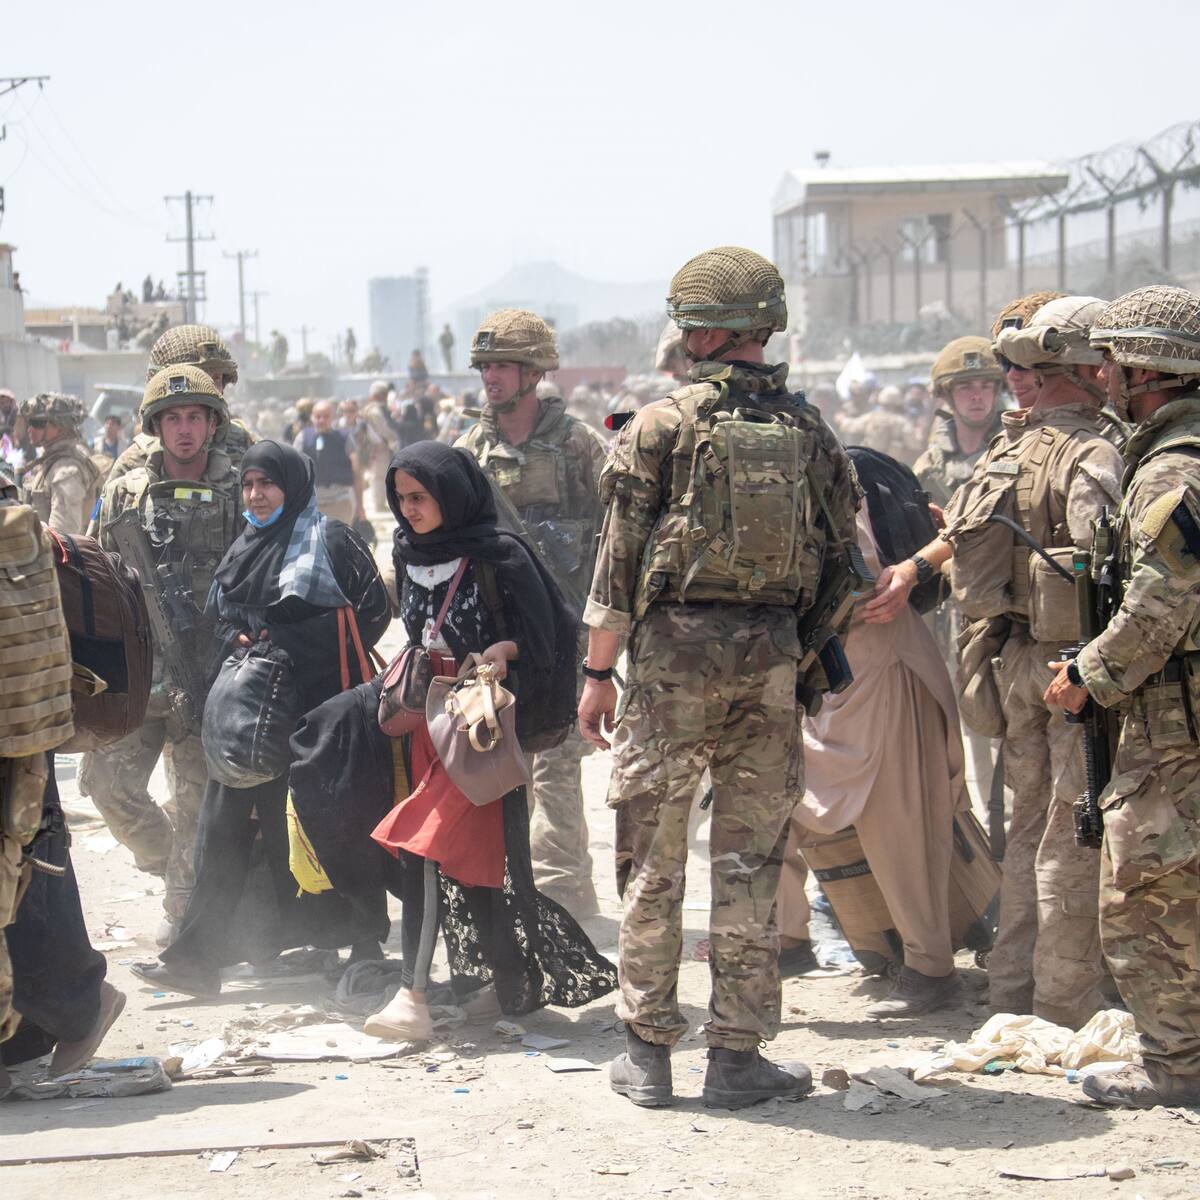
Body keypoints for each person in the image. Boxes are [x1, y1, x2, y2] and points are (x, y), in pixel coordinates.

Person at [579, 245, 859, 1109]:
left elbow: (617, 566)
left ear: (697, 331)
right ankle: (737, 1056)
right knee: (749, 861)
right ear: (766, 327)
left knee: (654, 861)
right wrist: (799, 655)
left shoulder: (660, 426)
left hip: (670, 667)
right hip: (771, 663)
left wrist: (597, 674)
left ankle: (649, 1055)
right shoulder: (810, 430)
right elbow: (843, 564)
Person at [865, 295, 1124, 1030]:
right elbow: (1103, 560)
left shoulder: (1008, 451)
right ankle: (1063, 1000)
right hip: (1076, 669)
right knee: (1073, 836)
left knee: (1025, 830)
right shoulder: (1094, 453)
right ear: (1081, 368)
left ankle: (1011, 985)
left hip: (1013, 663)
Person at [363, 441, 616, 1040]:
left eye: (420, 497)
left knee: (422, 846)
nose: (410, 510)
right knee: (470, 864)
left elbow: (552, 634)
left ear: (452, 495)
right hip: (430, 726)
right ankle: (490, 985)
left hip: (481, 732)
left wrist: (505, 652)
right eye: (401, 499)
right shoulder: (406, 550)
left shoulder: (502, 556)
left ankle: (413, 996)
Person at [132, 440, 390, 996]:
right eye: (249, 484)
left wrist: (294, 645)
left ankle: (364, 941)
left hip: (319, 712)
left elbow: (374, 610)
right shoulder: (244, 546)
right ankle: (196, 960)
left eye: (267, 483)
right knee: (221, 829)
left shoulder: (332, 539)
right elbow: (222, 620)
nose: (256, 494)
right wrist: (244, 638)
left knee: (328, 825)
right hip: (252, 713)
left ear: (292, 486)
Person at [1044, 285, 1200, 1109]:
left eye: (1111, 360)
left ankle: (1176, 1067)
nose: (1100, 374)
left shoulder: (1176, 469)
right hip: (1175, 707)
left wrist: (1089, 678)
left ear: (1149, 369)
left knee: (1142, 896)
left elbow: (1160, 602)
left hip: (1174, 718)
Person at [780, 503, 964, 1015]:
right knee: (770, 808)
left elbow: (864, 587)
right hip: (816, 681)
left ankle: (931, 970)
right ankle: (786, 941)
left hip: (880, 670)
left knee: (900, 828)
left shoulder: (828, 478)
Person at [80, 365, 243, 943]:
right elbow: (97, 577)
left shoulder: (238, 488)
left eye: (194, 417)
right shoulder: (123, 492)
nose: (183, 429)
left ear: (211, 423)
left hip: (212, 674)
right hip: (141, 674)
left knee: (196, 804)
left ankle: (185, 919)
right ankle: (174, 863)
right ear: (155, 425)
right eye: (172, 418)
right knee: (106, 786)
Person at [457, 309, 608, 918]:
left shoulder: (579, 446)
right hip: (496, 645)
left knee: (557, 771)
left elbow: (611, 538)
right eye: (486, 366)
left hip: (561, 640)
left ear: (534, 371)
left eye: (503, 365)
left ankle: (566, 899)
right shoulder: (470, 450)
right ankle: (501, 896)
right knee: (490, 770)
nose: (491, 377)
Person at [914, 337, 1007, 819]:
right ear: (946, 398)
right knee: (962, 723)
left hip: (1007, 613)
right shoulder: (927, 469)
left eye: (985, 386)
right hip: (951, 618)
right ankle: (978, 825)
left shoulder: (1015, 452)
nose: (977, 396)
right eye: (964, 387)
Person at [108, 324, 256, 484]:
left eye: (217, 379)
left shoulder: (248, 449)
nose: (209, 388)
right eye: (199, 379)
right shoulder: (135, 463)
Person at [16, 393, 101, 535]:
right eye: (29, 422)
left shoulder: (66, 472)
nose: (30, 429)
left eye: (38, 423)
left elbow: (64, 537)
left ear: (61, 426)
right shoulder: (50, 462)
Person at [295, 399, 363, 525]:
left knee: (340, 543)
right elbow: (295, 470)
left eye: (326, 416)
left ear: (333, 417)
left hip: (340, 503)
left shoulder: (345, 438)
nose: (321, 420)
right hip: (312, 505)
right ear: (312, 417)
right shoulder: (303, 438)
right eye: (318, 416)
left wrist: (360, 506)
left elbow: (356, 471)